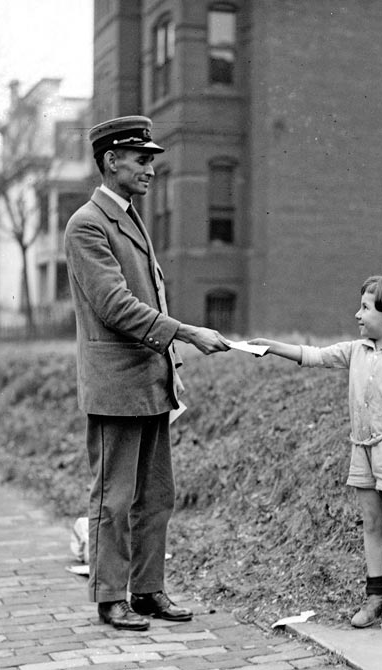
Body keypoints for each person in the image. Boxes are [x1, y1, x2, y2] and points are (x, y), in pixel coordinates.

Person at [64, 115, 230, 631]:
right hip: (116, 385)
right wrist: (186, 333)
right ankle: (110, 595)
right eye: (141, 159)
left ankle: (148, 589)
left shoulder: (130, 217)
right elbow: (115, 306)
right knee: (114, 498)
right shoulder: (87, 224)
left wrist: (171, 364)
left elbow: (149, 294)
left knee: (156, 496)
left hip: (150, 380)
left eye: (152, 160)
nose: (150, 170)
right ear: (111, 161)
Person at [249, 275, 382, 633]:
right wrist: (272, 346)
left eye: (365, 308)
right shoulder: (356, 350)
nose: (357, 315)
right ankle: (376, 597)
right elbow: (314, 356)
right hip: (361, 447)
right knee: (371, 523)